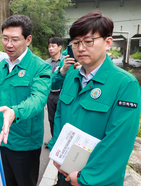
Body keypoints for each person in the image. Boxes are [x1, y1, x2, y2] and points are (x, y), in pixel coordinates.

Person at [48, 10, 141, 186]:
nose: (80, 48)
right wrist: (56, 151)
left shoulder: (126, 84)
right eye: (76, 42)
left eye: (88, 41)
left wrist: (85, 177)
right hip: (65, 172)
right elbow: (59, 116)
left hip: (97, 180)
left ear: (108, 43)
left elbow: (118, 141)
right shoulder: (71, 76)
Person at [0, 15, 52, 186]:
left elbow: (37, 100)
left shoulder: (40, 67)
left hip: (24, 144)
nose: (9, 44)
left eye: (15, 39)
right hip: (0, 141)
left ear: (28, 39)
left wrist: (14, 112)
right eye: (6, 39)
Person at [44, 37, 65, 148]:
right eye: (49, 46)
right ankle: (54, 140)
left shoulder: (66, 61)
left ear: (60, 47)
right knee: (51, 119)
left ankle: (63, 142)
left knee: (63, 118)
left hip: (63, 95)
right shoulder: (46, 63)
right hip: (51, 95)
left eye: (53, 46)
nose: (50, 49)